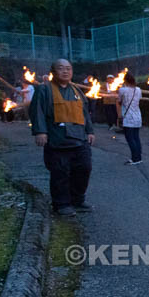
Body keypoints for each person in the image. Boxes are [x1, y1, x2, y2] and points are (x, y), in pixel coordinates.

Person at [29, 59, 94, 215]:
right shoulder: (44, 90)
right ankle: (61, 204)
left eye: (68, 69)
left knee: (84, 169)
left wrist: (90, 131)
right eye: (61, 68)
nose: (65, 71)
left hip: (79, 139)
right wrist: (40, 132)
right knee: (60, 173)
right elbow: (37, 111)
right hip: (57, 139)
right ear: (53, 72)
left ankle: (77, 200)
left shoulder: (77, 90)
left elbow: (85, 113)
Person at [117, 73, 143, 165]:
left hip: (128, 118)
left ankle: (135, 158)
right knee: (136, 138)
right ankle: (139, 157)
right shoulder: (139, 90)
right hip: (138, 117)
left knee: (130, 139)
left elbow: (119, 101)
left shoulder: (122, 90)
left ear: (126, 81)